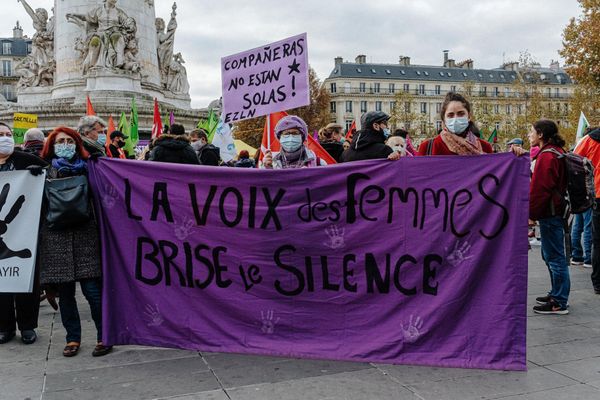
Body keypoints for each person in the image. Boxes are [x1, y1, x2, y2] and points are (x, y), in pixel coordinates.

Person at [39, 126, 111, 356]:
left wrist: (99, 155)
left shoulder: (91, 168)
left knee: (92, 291)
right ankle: (73, 339)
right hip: (56, 237)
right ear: (52, 145)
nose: (66, 145)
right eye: (61, 141)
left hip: (85, 234)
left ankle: (104, 335)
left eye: (70, 141)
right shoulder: (43, 171)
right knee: (66, 294)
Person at [0, 122, 47, 345]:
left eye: (8, 134)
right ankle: (4, 327)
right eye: (1, 135)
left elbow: (52, 176)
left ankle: (27, 326)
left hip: (25, 232)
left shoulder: (27, 160)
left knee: (26, 281)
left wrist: (40, 177)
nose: (6, 138)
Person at [529, 119, 570, 314]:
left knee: (555, 257)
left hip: (550, 213)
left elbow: (540, 190)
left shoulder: (546, 156)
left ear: (541, 135)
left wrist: (531, 215)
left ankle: (559, 301)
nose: (529, 135)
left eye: (532, 131)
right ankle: (556, 293)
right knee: (551, 255)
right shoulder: (557, 152)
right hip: (555, 211)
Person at [418, 92, 494, 155]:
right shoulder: (427, 147)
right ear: (444, 120)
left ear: (469, 117)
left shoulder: (485, 147)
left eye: (461, 114)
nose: (455, 118)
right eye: (450, 115)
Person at [574, 126, 600, 294]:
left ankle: (598, 282)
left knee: (598, 241)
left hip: (597, 194)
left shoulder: (591, 139)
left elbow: (573, 159)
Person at [262, 115, 328, 169]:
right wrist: (267, 169)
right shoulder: (270, 161)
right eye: (286, 133)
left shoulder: (318, 163)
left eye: (295, 133)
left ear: (302, 137)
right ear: (280, 137)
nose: (291, 137)